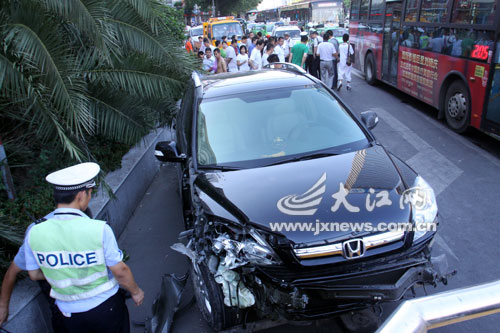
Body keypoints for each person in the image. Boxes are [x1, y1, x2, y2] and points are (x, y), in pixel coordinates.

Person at [22, 162, 144, 332]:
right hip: (105, 307)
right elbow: (120, 271)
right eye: (89, 193)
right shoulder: (99, 229)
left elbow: (34, 274)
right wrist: (136, 291)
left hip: (67, 314)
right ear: (80, 195)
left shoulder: (33, 231)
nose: (89, 198)